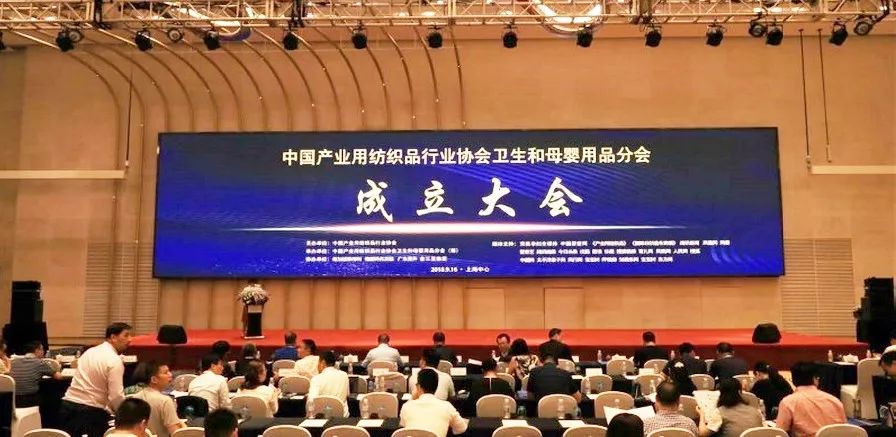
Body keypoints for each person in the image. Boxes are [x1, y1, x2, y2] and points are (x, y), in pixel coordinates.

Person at [59, 322, 133, 437]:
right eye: (126, 335)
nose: (130, 339)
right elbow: (116, 396)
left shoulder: (89, 352)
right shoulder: (114, 360)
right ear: (113, 337)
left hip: (67, 406)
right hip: (89, 413)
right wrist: (125, 417)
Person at [775, 361, 846, 437]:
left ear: (793, 380)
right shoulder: (835, 400)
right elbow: (845, 429)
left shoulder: (788, 402)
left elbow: (780, 433)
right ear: (815, 379)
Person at [399, 369, 468, 437]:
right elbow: (461, 429)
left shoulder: (406, 406)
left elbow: (403, 426)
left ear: (418, 387)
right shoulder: (447, 406)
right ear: (436, 387)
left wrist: (412, 398)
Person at [131, 361, 185, 437]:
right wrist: (183, 425)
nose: (170, 375)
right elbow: (176, 434)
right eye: (166, 372)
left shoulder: (134, 398)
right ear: (154, 379)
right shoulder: (165, 401)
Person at [697, 378, 763, 437]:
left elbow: (703, 433)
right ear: (740, 392)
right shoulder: (755, 411)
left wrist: (702, 415)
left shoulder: (720, 412)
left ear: (721, 393)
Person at [9, 340, 62, 407]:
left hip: (12, 400)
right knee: (51, 396)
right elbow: (58, 377)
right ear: (37, 350)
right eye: (42, 349)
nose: (43, 352)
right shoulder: (40, 363)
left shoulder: (14, 361)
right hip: (29, 399)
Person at [308, 350, 349, 417]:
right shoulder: (344, 375)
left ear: (323, 363)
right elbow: (347, 394)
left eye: (318, 362)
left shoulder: (316, 379)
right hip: (343, 416)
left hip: (322, 417)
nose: (317, 365)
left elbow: (311, 402)